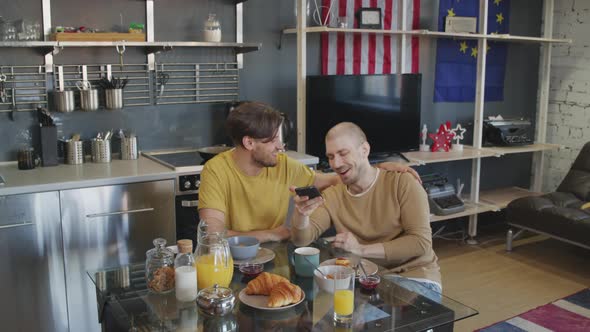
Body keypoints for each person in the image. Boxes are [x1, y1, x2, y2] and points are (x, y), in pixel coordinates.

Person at [198, 102, 420, 243]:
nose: (280, 147)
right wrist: (271, 234)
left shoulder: (283, 164)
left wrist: (377, 168)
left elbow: (336, 178)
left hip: (275, 257)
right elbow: (213, 236)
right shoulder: (216, 170)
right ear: (249, 142)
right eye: (273, 140)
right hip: (231, 259)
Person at [290, 122, 441, 298]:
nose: (336, 163)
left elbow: (420, 243)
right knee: (329, 323)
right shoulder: (332, 195)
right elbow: (302, 240)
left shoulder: (403, 183)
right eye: (330, 156)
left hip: (415, 277)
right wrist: (301, 215)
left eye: (343, 153)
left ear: (364, 150)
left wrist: (360, 250)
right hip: (366, 279)